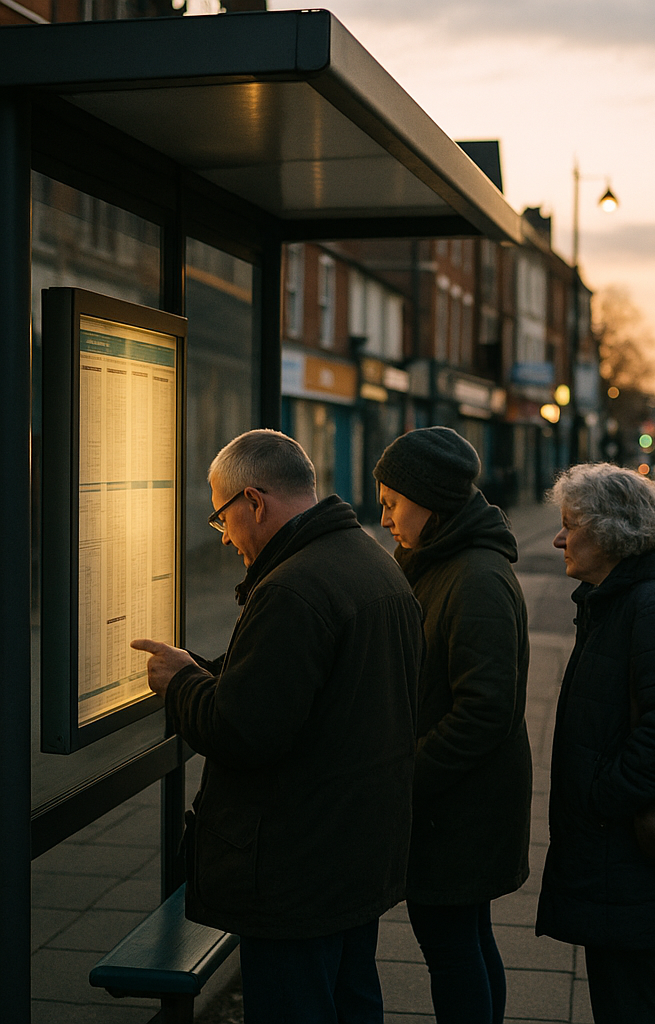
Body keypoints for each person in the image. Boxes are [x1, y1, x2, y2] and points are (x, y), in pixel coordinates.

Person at [131, 429, 422, 1024]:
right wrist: (206, 671)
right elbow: (305, 690)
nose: (227, 537)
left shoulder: (294, 587)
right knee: (351, 1000)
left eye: (223, 518)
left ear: (255, 503)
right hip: (354, 851)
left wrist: (181, 685)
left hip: (296, 866)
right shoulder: (367, 559)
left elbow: (244, 730)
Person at [535, 462, 655, 1024]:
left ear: (613, 532)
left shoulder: (650, 605)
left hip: (630, 850)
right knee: (622, 994)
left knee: (636, 1001)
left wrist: (605, 796)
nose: (559, 538)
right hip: (616, 854)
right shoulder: (614, 599)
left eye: (571, 525)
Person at [373, 426, 532, 1024]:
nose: (383, 515)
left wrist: (405, 773)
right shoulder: (433, 560)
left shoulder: (476, 579)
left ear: (431, 500)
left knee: (451, 946)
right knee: (465, 939)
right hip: (455, 803)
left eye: (392, 503)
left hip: (461, 805)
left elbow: (486, 710)